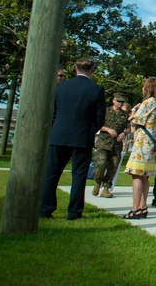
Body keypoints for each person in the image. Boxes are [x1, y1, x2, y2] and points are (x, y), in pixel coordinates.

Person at [40, 57, 106, 220]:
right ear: (91, 70)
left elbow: (54, 111)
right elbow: (100, 117)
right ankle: (74, 212)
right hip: (82, 137)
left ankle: (45, 209)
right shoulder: (96, 89)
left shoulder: (61, 87)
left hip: (59, 135)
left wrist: (56, 128)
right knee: (78, 175)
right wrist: (91, 131)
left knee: (52, 174)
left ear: (75, 69)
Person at [124, 77, 156, 219]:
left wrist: (133, 109)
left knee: (137, 175)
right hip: (152, 144)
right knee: (145, 176)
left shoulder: (147, 103)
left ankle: (135, 208)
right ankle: (143, 206)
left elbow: (135, 120)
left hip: (142, 144)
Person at [93, 93, 129, 198]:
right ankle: (97, 181)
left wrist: (124, 133)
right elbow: (98, 124)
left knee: (113, 167)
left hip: (116, 145)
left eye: (122, 101)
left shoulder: (125, 115)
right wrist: (108, 130)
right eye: (118, 101)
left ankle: (106, 188)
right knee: (101, 163)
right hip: (104, 143)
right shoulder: (106, 112)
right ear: (113, 101)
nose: (120, 103)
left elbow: (128, 127)